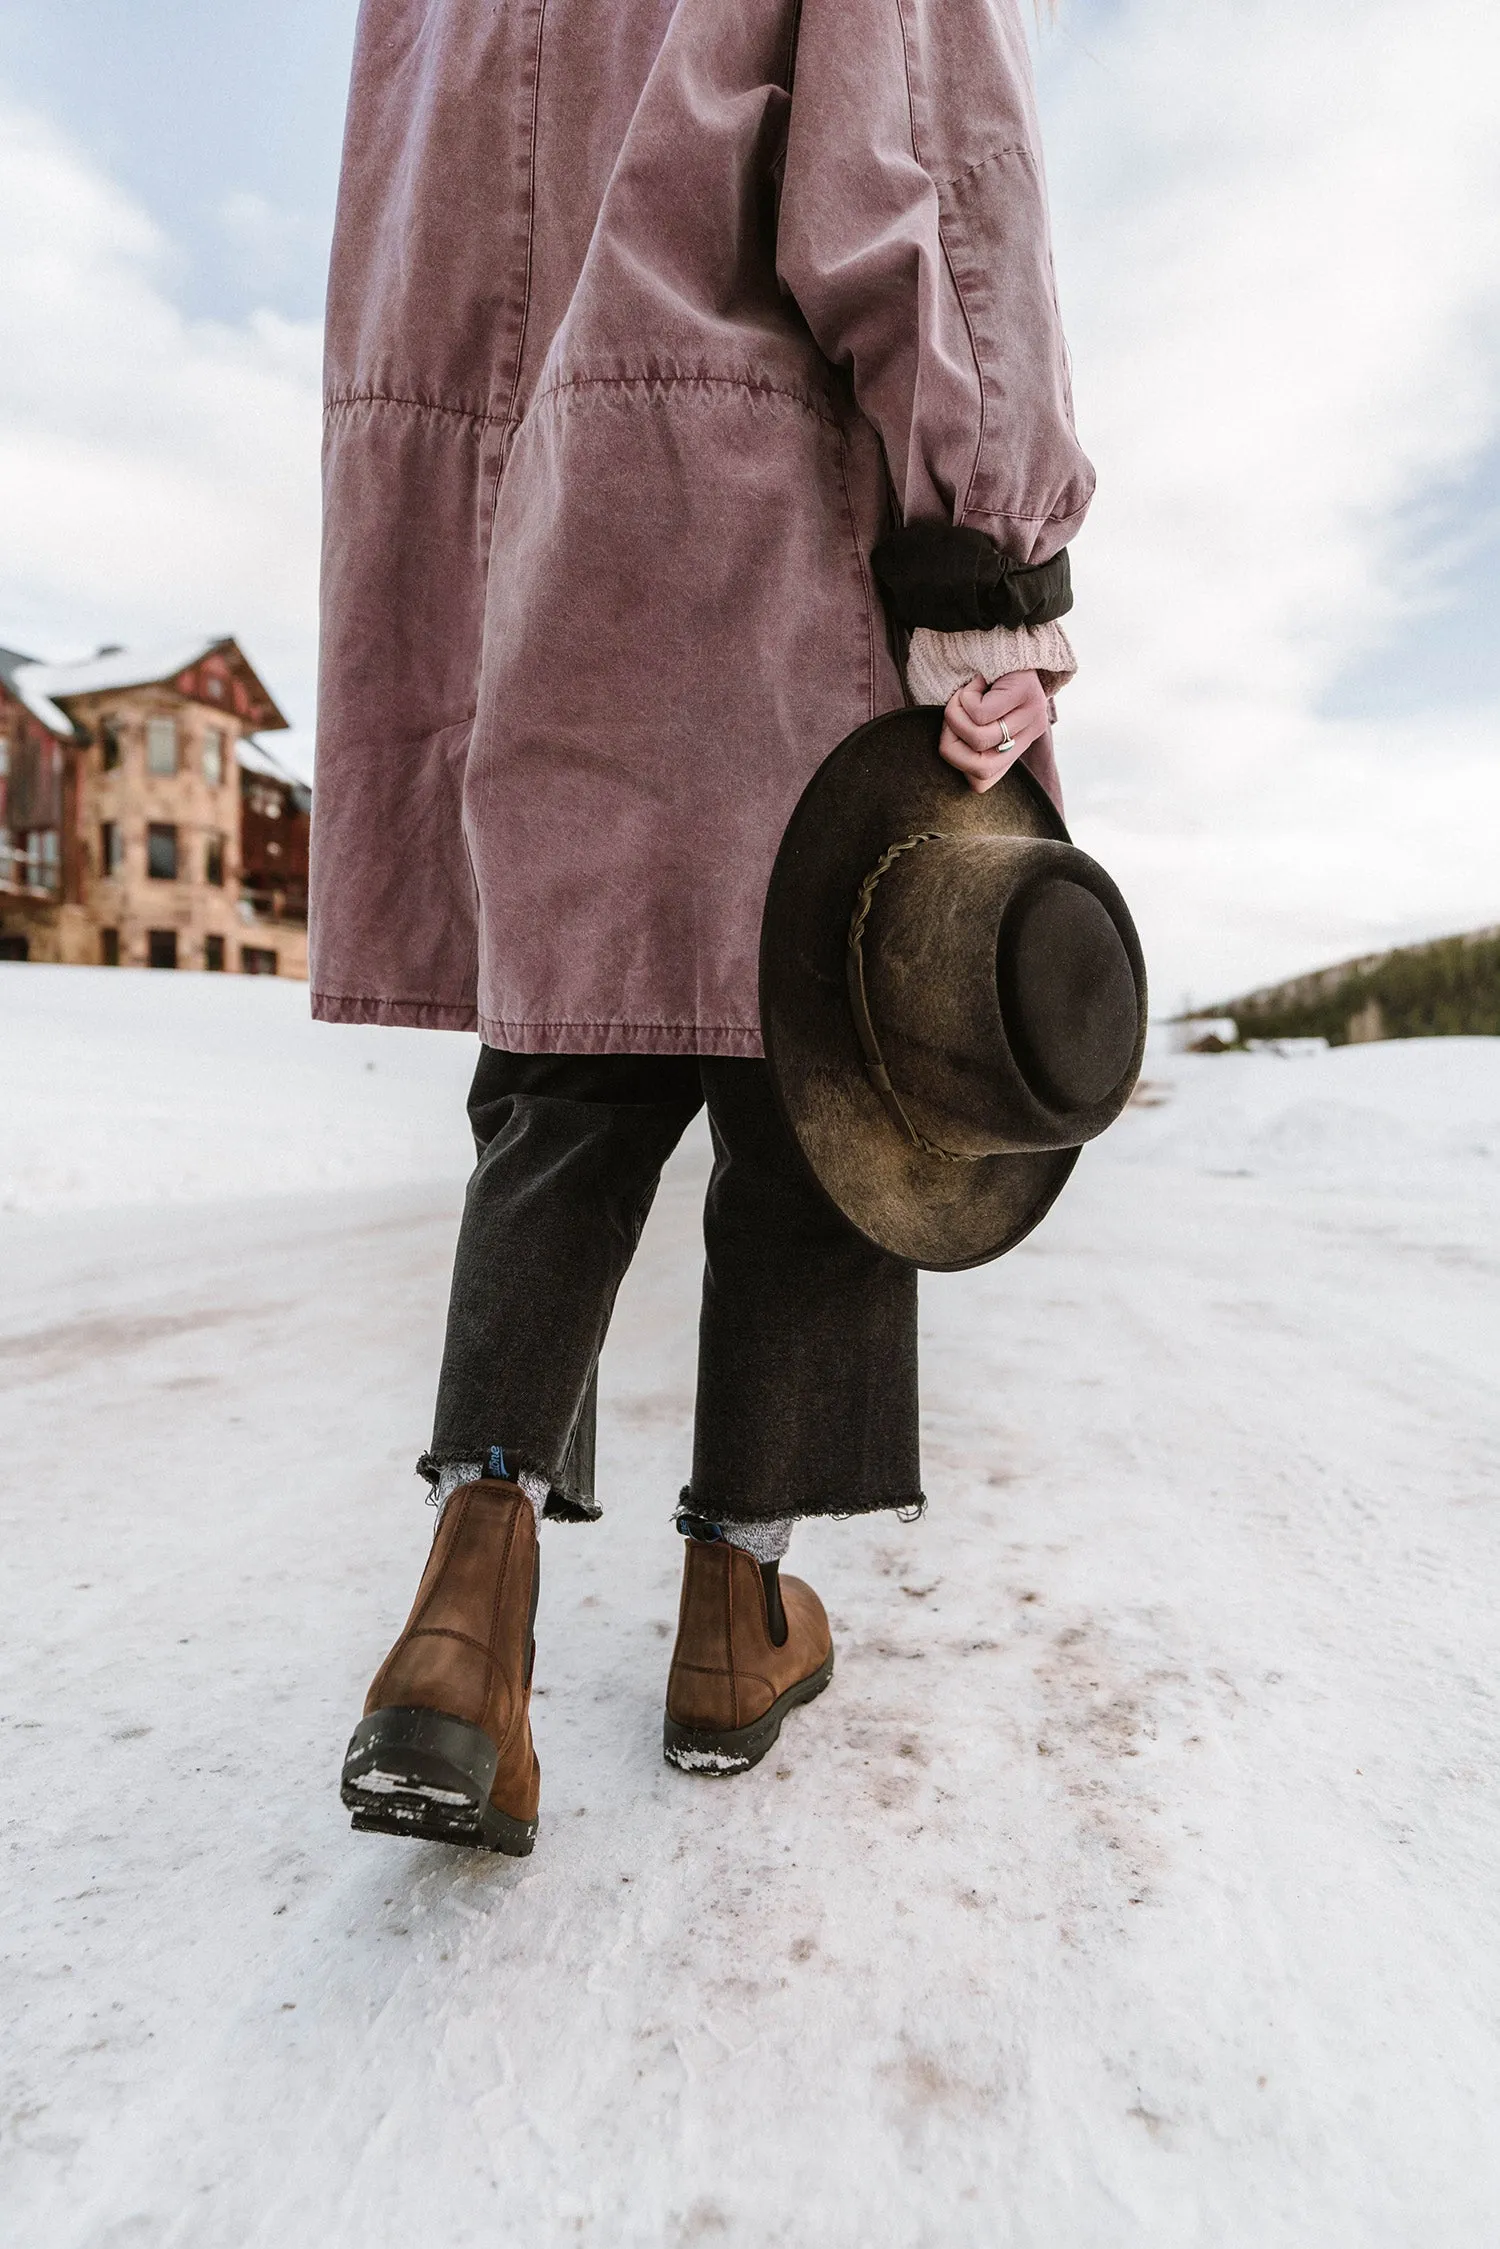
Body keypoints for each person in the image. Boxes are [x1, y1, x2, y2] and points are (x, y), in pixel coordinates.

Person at [316, 0, 1094, 1854]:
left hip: (531, 522)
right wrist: (988, 559)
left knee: (569, 1051)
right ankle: (735, 1623)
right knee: (827, 1059)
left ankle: (464, 1608)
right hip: (765, 497)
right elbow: (913, 159)